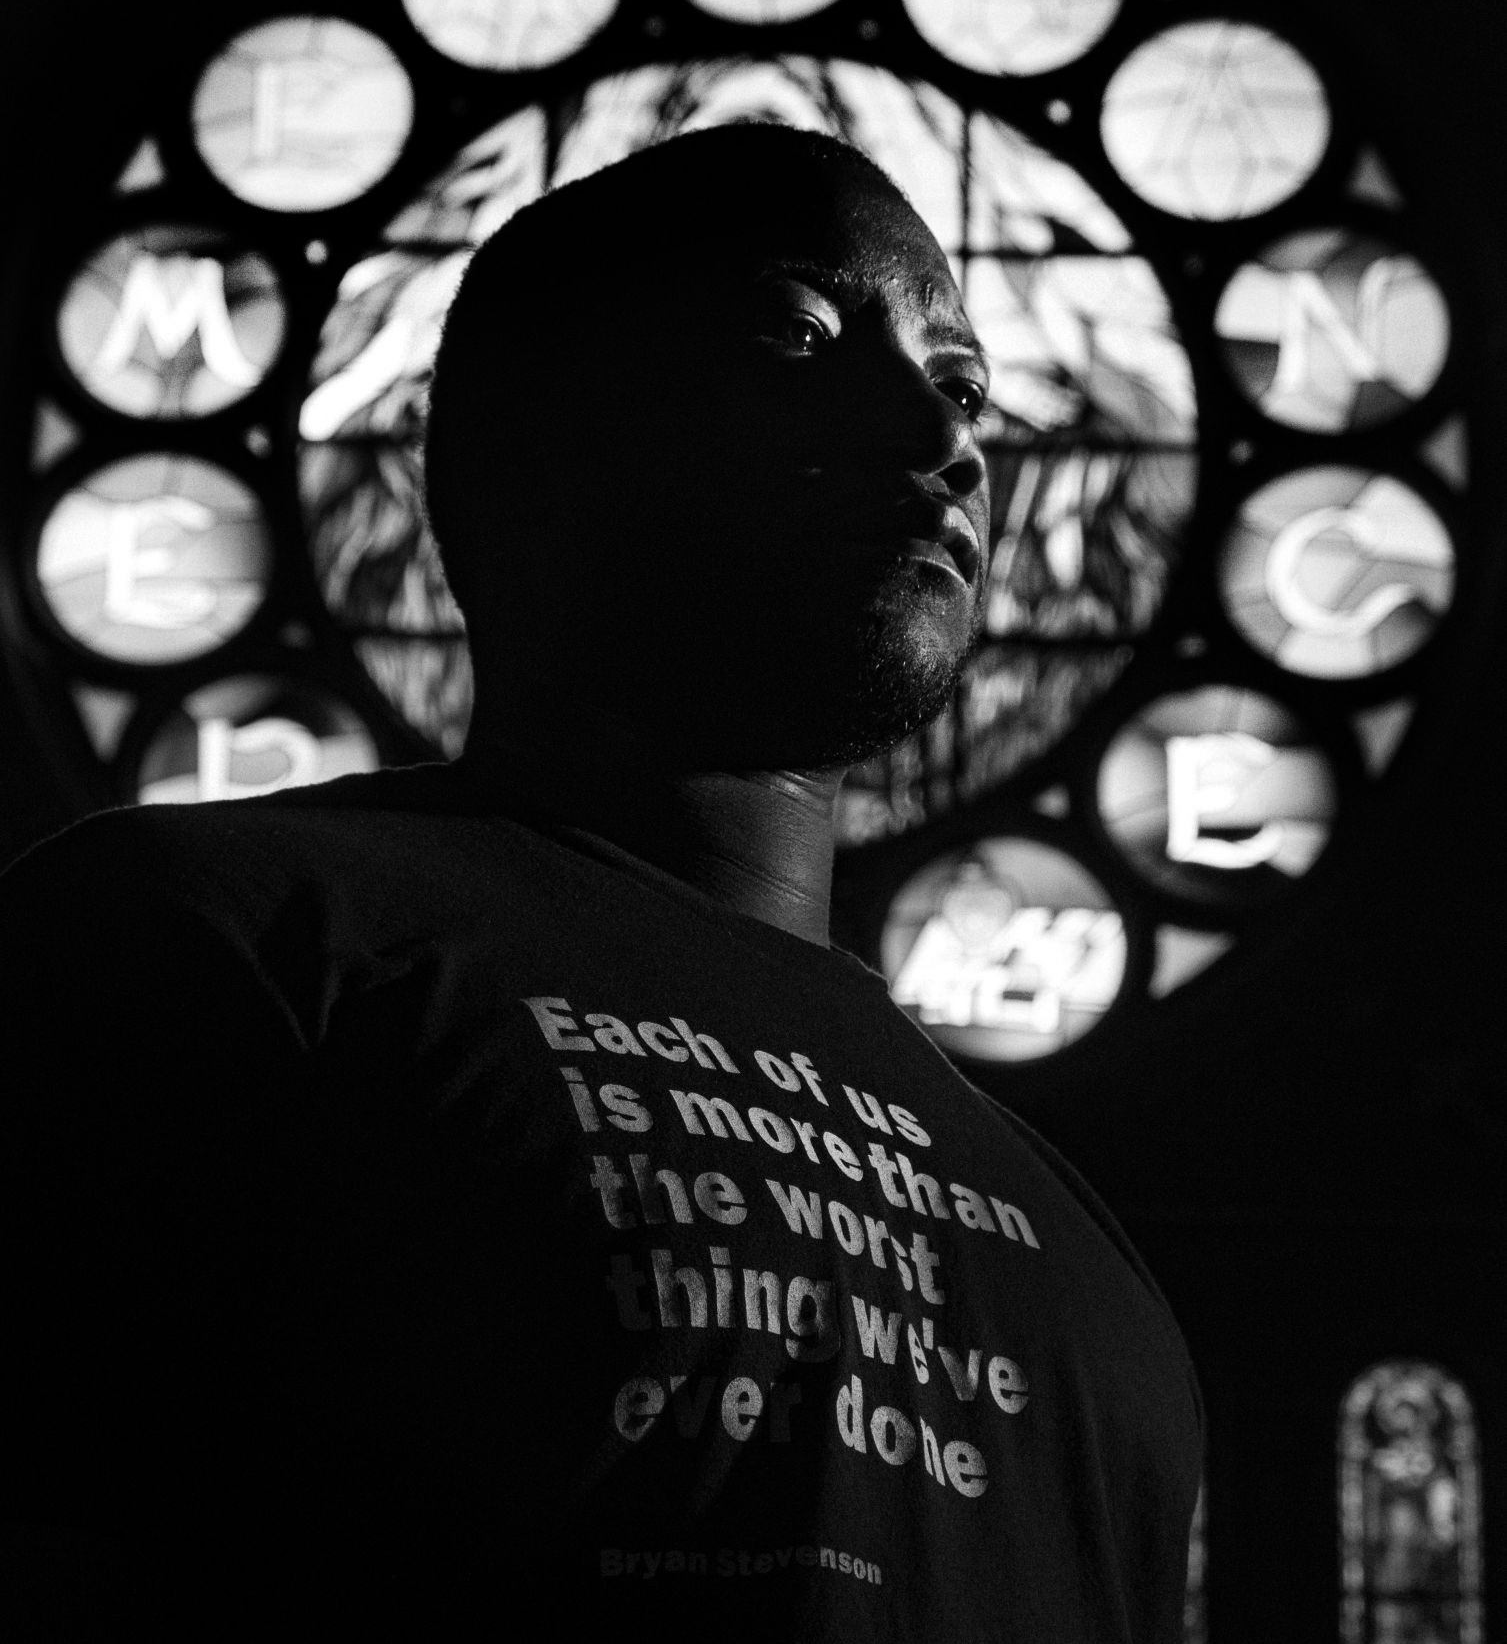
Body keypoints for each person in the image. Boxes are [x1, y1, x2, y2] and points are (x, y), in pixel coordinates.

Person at [0, 124, 1202, 1639]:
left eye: (965, 384)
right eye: (798, 332)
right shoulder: (208, 955)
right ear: (524, 447)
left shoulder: (1084, 1269)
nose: (941, 433)